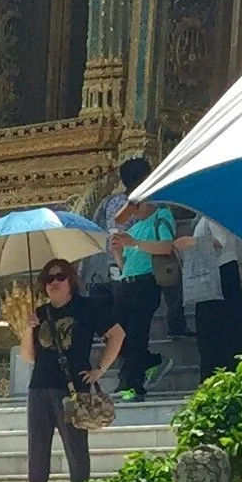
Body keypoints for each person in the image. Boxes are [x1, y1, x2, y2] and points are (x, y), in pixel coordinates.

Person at [16, 261, 124, 482]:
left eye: (60, 276)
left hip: (73, 387)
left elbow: (118, 334)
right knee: (38, 443)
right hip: (40, 385)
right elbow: (28, 357)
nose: (54, 282)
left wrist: (100, 368)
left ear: (70, 280)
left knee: (75, 444)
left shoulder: (87, 307)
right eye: (49, 278)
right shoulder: (40, 313)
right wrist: (28, 330)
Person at [108, 160, 180, 402]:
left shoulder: (162, 215)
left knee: (138, 334)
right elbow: (124, 264)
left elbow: (166, 246)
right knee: (119, 334)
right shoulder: (136, 227)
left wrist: (134, 243)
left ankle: (133, 385)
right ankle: (148, 363)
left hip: (147, 283)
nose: (135, 209)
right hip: (127, 283)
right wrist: (118, 249)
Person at [175, 214, 242, 383]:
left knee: (226, 329)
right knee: (211, 332)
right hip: (212, 276)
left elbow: (219, 242)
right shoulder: (202, 220)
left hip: (222, 274)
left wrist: (192, 243)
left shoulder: (214, 216)